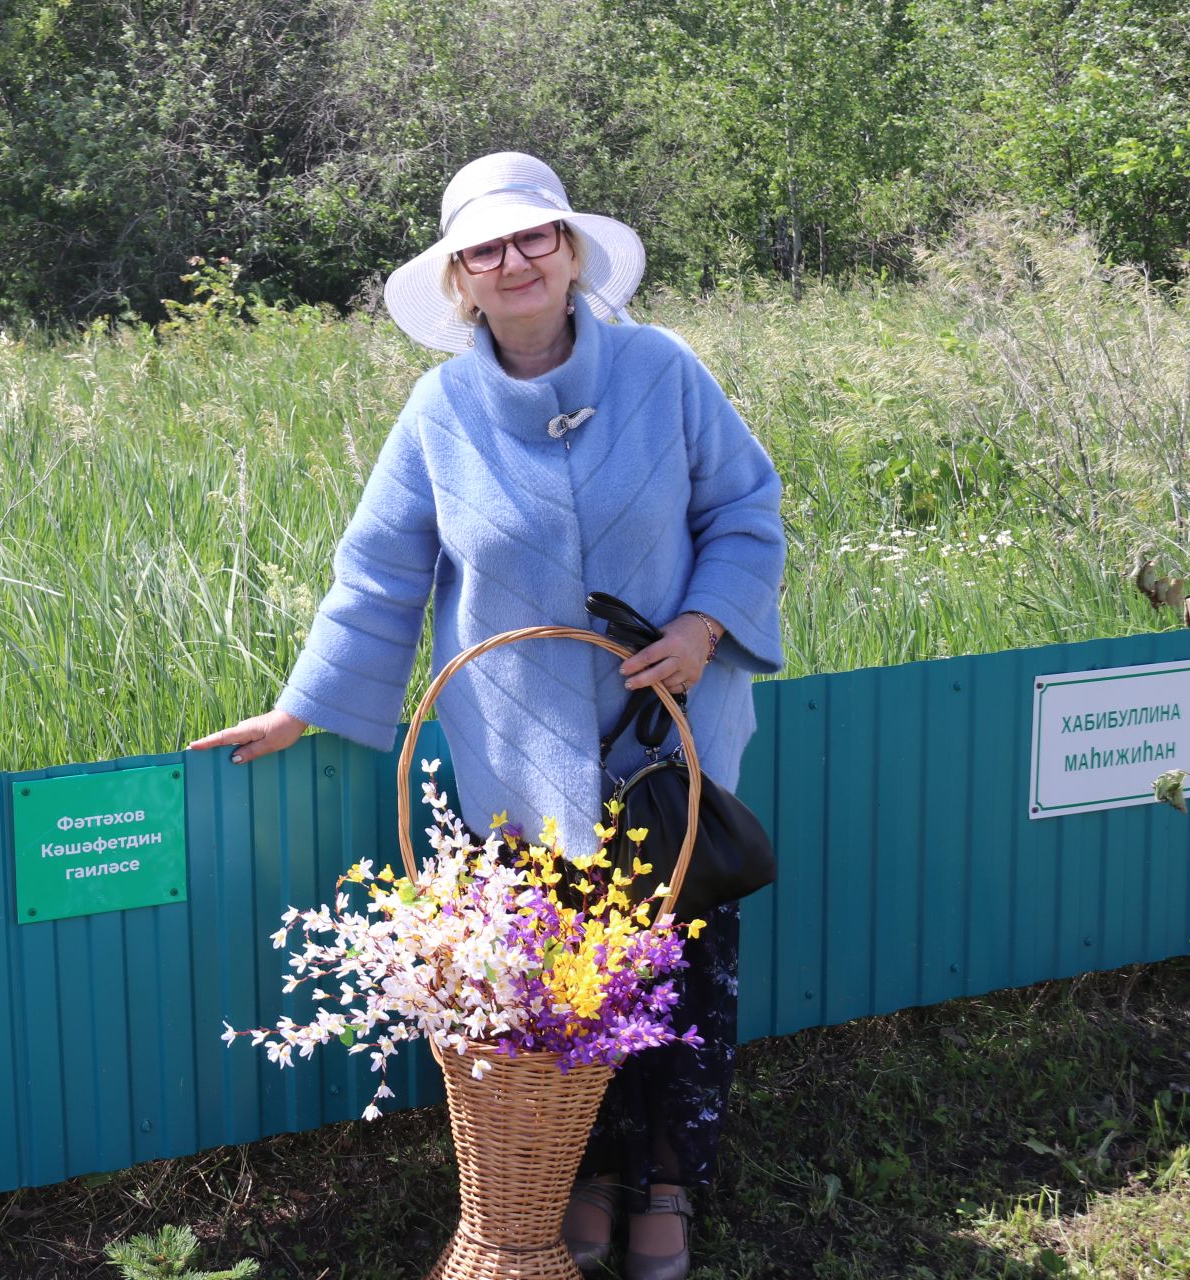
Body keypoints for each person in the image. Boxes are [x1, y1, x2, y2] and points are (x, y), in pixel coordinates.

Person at [188, 152, 784, 1280]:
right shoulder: (440, 408)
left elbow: (747, 508)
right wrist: (301, 706)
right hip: (517, 764)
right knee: (559, 989)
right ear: (460, 278)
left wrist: (706, 627)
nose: (513, 262)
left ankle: (668, 1179)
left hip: (671, 749)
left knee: (682, 967)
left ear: (570, 254)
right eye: (486, 248)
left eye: (535, 238)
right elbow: (378, 572)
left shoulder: (663, 370)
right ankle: (589, 1178)